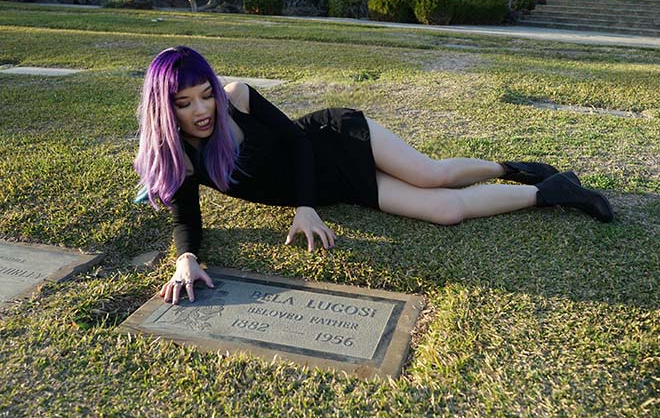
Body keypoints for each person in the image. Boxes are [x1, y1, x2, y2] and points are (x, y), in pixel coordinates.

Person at [134, 46, 614, 305]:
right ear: (164, 108)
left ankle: (514, 168)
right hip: (335, 186)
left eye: (205, 94)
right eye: (184, 102)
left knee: (432, 175)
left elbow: (299, 140)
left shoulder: (237, 97)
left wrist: (304, 206)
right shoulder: (181, 160)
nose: (201, 109)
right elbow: (186, 218)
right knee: (445, 212)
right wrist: (186, 259)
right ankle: (552, 191)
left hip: (335, 138)